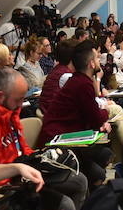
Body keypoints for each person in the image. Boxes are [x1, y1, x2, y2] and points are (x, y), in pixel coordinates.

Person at [0, 70, 89, 210]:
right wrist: (22, 173)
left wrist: (36, 162)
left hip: (20, 173)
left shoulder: (9, 111)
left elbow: (22, 148)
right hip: (4, 187)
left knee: (79, 180)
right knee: (65, 204)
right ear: (1, 96)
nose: (22, 104)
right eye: (18, 99)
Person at [37, 40, 113, 188]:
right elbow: (96, 119)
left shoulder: (79, 81)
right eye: (97, 58)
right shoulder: (83, 84)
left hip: (68, 135)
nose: (99, 61)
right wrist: (106, 112)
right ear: (91, 63)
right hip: (57, 141)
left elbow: (91, 116)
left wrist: (99, 117)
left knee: (103, 156)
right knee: (101, 165)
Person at [39, 38, 76, 117]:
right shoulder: (66, 76)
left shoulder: (58, 69)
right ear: (74, 58)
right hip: (60, 124)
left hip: (53, 118)